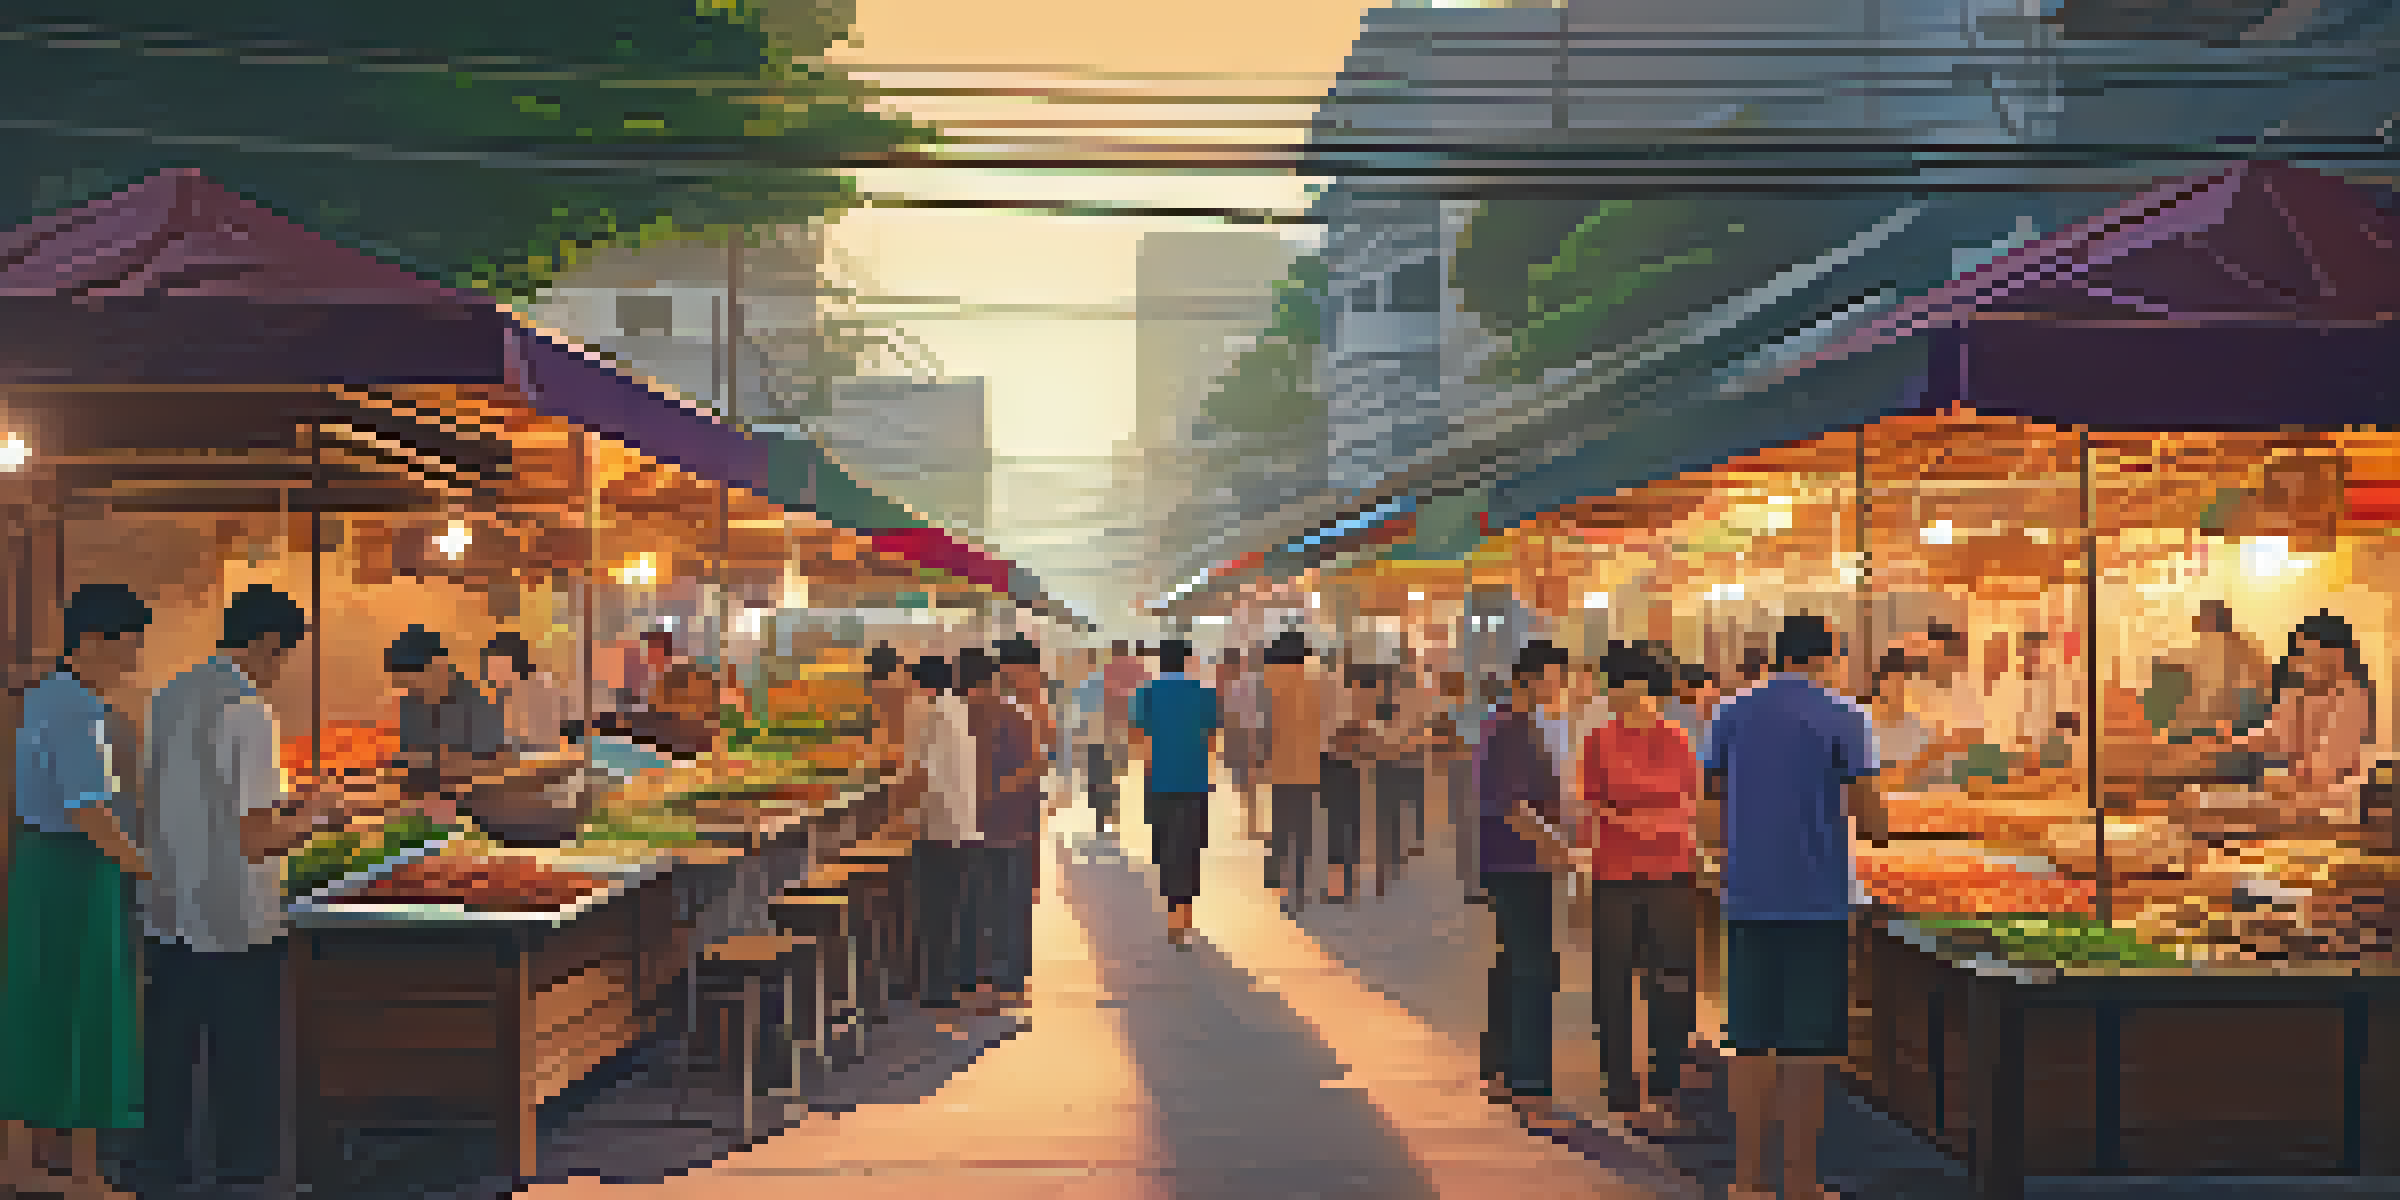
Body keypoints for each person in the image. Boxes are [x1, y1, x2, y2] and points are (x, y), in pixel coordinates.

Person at [142, 585, 357, 1191]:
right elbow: (255, 838)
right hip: (234, 910)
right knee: (243, 1051)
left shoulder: (172, 694)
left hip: (169, 900)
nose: (279, 669)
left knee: (170, 1049)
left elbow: (194, 798)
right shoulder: (246, 707)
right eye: (282, 655)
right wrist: (318, 818)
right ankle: (242, 1167)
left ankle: (161, 1163)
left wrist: (289, 803)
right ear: (266, 644)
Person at [1704, 614, 1886, 1200]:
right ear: (1827, 658)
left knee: (1751, 1043)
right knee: (1808, 1048)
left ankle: (1748, 1180)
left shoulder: (1729, 712)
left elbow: (1709, 818)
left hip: (1748, 899)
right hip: (1817, 904)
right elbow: (1873, 820)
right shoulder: (1843, 716)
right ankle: (1802, 1182)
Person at [0, 585, 156, 1200]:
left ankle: (18, 1161)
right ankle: (84, 1176)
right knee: (92, 1015)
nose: (133, 660)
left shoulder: (41, 701)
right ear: (93, 642)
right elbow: (93, 811)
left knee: (34, 1011)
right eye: (129, 646)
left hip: (38, 866)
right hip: (80, 870)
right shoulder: (85, 713)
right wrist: (145, 866)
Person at [1576, 641, 1703, 1132]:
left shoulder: (1676, 738)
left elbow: (1691, 798)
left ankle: (1666, 1080)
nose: (1625, 697)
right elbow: (1591, 800)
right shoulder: (1599, 739)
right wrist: (1645, 823)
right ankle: (1621, 1088)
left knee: (1671, 978)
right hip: (1616, 872)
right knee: (1614, 979)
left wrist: (1648, 822)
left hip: (1670, 869)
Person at [1478, 640, 1574, 1129]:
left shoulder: (1505, 722)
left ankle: (1499, 1069)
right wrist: (1557, 846)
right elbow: (1514, 806)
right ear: (1533, 677)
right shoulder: (1514, 727)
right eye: (1556, 678)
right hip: (1520, 862)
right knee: (1535, 969)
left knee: (1513, 961)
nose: (1560, 688)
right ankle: (1531, 1088)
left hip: (1506, 860)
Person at [2204, 610, 2376, 795]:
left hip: (2332, 798)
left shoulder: (2350, 695)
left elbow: (2324, 770)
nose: (2302, 664)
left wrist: (2258, 787)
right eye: (2300, 655)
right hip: (2294, 789)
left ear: (2339, 656)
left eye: (2312, 656)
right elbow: (2275, 735)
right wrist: (2230, 740)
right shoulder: (2297, 691)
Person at [960, 648, 1042, 1015]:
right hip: (1004, 825)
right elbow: (1033, 766)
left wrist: (989, 792)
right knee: (1002, 905)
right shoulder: (1007, 712)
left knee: (993, 905)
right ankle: (1001, 983)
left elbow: (1031, 766)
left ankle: (998, 983)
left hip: (995, 824)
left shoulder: (998, 714)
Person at [1130, 640, 1222, 947]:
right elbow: (1211, 738)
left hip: (1159, 782)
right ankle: (1185, 916)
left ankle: (1172, 915)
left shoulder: (1146, 694)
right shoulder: (1204, 694)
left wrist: (1151, 768)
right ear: (1187, 661)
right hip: (1194, 782)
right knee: (1190, 848)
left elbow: (1139, 738)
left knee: (1165, 848)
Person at [908, 655, 981, 1035]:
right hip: (957, 826)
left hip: (940, 827)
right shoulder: (953, 710)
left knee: (936, 911)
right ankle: (945, 983)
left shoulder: (933, 713)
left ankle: (936, 987)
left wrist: (898, 811)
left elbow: (924, 772)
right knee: (948, 908)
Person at [385, 625, 506, 822]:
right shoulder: (410, 703)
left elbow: (496, 767)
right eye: (406, 685)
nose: (412, 691)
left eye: (416, 683)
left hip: (474, 812)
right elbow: (408, 760)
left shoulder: (478, 704)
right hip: (421, 808)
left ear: (439, 667)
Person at [1259, 631, 1326, 915]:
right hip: (1308, 766)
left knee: (1283, 825)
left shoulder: (1271, 684)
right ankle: (1296, 886)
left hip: (1281, 766)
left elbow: (1262, 726)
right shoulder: (1315, 685)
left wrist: (1261, 757)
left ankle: (1281, 878)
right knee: (1303, 829)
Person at [1323, 662, 1387, 905]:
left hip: (1338, 765)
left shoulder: (1346, 697)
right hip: (1342, 766)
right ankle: (1343, 881)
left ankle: (1341, 882)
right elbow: (1361, 733)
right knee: (1345, 824)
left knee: (1340, 825)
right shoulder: (1355, 699)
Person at [481, 632, 568, 753]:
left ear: (515, 663)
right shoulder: (506, 694)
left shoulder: (535, 690)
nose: (491, 676)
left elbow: (535, 742)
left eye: (497, 669)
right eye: (490, 669)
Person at [1070, 649, 1118, 834]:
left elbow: (1078, 718)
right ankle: (1106, 818)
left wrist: (1077, 740)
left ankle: (1101, 819)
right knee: (1105, 779)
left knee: (1095, 780)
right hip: (1105, 739)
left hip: (1093, 741)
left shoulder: (1083, 687)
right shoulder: (1106, 685)